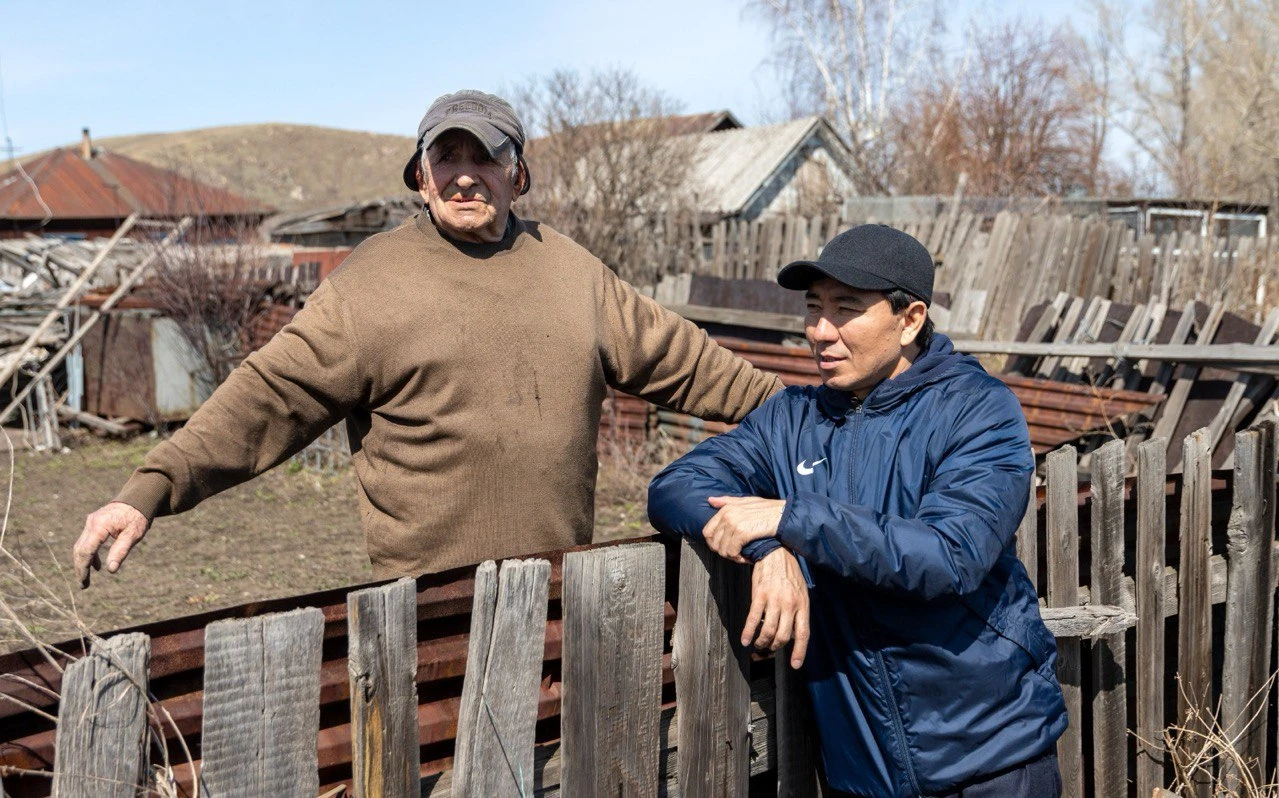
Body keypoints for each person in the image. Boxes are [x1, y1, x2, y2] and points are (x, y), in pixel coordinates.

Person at [73, 89, 783, 587]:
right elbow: (267, 397)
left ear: (517, 174)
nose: (466, 174)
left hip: (565, 596)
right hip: (426, 611)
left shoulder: (573, 273)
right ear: (420, 174)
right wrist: (147, 492)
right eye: (448, 156)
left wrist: (808, 421)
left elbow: (693, 365)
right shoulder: (371, 284)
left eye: (486, 156)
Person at [647, 224, 1066, 797]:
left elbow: (951, 555)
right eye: (814, 308)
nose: (821, 331)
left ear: (910, 319)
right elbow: (677, 484)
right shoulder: (792, 419)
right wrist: (769, 550)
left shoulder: (978, 412)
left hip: (987, 758)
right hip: (859, 770)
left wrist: (792, 519)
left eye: (847, 309)